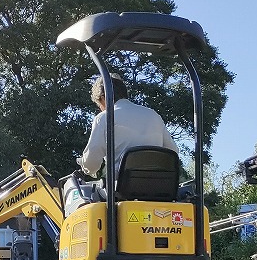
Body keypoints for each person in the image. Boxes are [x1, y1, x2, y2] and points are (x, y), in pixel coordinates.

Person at [64, 73, 178, 213]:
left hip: (122, 191)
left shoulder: (104, 118)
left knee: (74, 189)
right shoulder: (153, 115)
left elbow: (92, 162)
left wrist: (85, 168)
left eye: (100, 104)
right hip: (160, 188)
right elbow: (173, 152)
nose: (101, 108)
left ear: (103, 98)